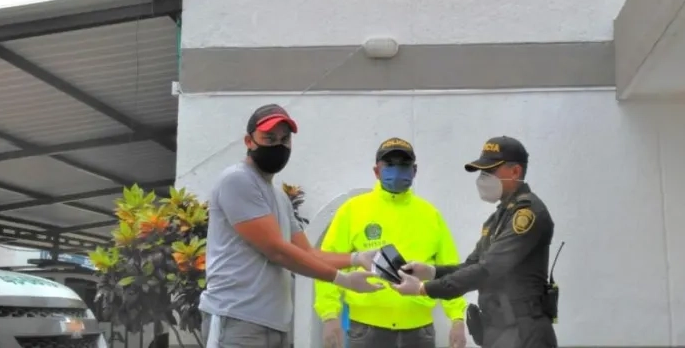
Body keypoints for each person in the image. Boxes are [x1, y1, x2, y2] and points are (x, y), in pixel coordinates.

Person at [200, 103, 384, 348]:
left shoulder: (279, 197)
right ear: (249, 141)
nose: (278, 145)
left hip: (274, 326)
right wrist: (343, 280)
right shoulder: (237, 180)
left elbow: (308, 253)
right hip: (237, 320)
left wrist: (357, 259)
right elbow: (277, 250)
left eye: (284, 139)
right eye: (269, 137)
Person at [390, 136, 558, 348]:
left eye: (490, 172)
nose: (482, 179)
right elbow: (471, 265)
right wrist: (430, 271)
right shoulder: (499, 216)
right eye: (481, 172)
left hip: (525, 331)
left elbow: (487, 270)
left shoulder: (527, 215)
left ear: (515, 172)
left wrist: (424, 289)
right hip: (500, 330)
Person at [314, 137, 468, 348]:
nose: (397, 170)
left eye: (404, 164)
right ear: (376, 171)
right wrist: (329, 315)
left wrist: (457, 318)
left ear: (414, 171)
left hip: (419, 332)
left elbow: (449, 271)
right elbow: (327, 265)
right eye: (390, 164)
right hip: (366, 330)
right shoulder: (352, 211)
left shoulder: (430, 215)